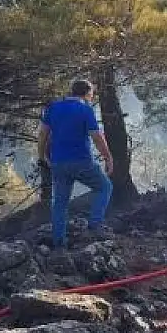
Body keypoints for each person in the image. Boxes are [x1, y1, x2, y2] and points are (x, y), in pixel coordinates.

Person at [38, 79, 114, 249]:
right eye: (92, 94)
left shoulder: (53, 108)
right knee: (104, 187)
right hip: (82, 161)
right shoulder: (85, 109)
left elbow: (43, 135)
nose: (92, 97)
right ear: (87, 94)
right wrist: (108, 157)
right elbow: (97, 137)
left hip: (58, 163)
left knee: (60, 204)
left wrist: (42, 157)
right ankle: (95, 224)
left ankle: (59, 243)